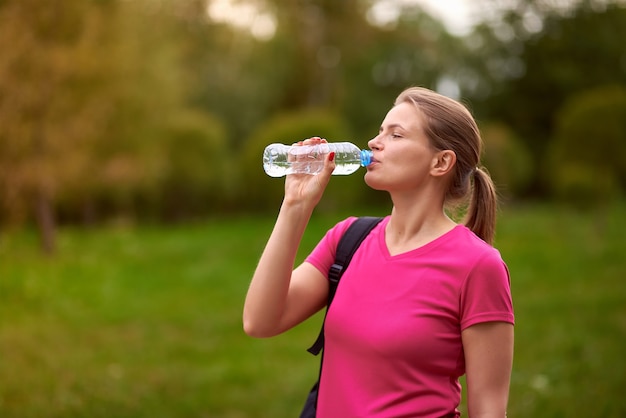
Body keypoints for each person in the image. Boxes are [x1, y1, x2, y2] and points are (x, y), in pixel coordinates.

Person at [243, 86, 514, 418]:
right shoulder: (348, 238)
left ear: (440, 162)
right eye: (380, 130)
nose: (374, 142)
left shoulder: (478, 266)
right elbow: (260, 321)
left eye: (396, 135)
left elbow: (489, 410)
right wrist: (295, 205)